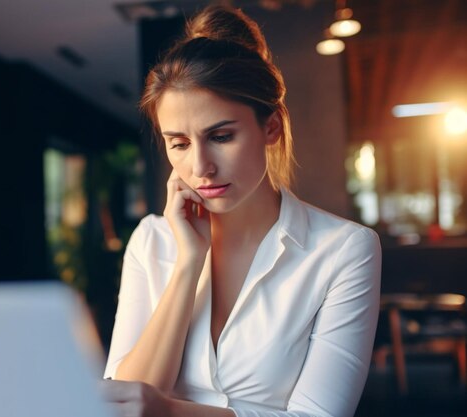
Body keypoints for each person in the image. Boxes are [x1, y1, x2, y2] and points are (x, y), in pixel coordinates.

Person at [100, 5, 381, 417]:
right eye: (178, 143)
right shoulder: (152, 239)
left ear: (271, 127)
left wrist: (172, 411)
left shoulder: (344, 250)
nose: (200, 167)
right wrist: (187, 265)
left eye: (221, 136)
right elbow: (124, 403)